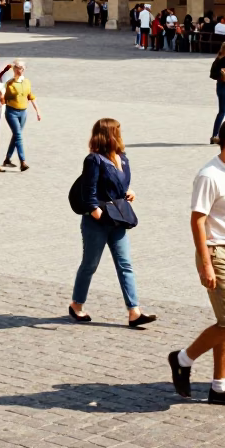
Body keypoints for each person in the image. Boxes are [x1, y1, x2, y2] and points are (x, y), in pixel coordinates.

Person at [168, 118, 225, 408]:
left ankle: (220, 386)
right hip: (217, 254)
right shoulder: (209, 175)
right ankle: (182, 359)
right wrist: (206, 264)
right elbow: (198, 220)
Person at [69, 117, 155, 327]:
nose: (120, 134)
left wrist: (128, 192)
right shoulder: (93, 160)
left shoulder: (122, 158)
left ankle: (134, 311)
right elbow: (88, 194)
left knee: (125, 264)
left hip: (117, 220)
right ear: (108, 134)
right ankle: (76, 305)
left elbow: (121, 185)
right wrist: (99, 215)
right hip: (96, 222)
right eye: (117, 131)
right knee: (90, 265)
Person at [3, 59, 40, 171]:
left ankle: (7, 159)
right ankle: (22, 161)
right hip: (11, 112)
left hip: (23, 112)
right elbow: (5, 99)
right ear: (14, 69)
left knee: (16, 135)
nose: (22, 69)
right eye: (19, 67)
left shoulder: (27, 82)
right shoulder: (10, 84)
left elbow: (30, 96)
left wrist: (37, 110)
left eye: (23, 67)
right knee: (18, 135)